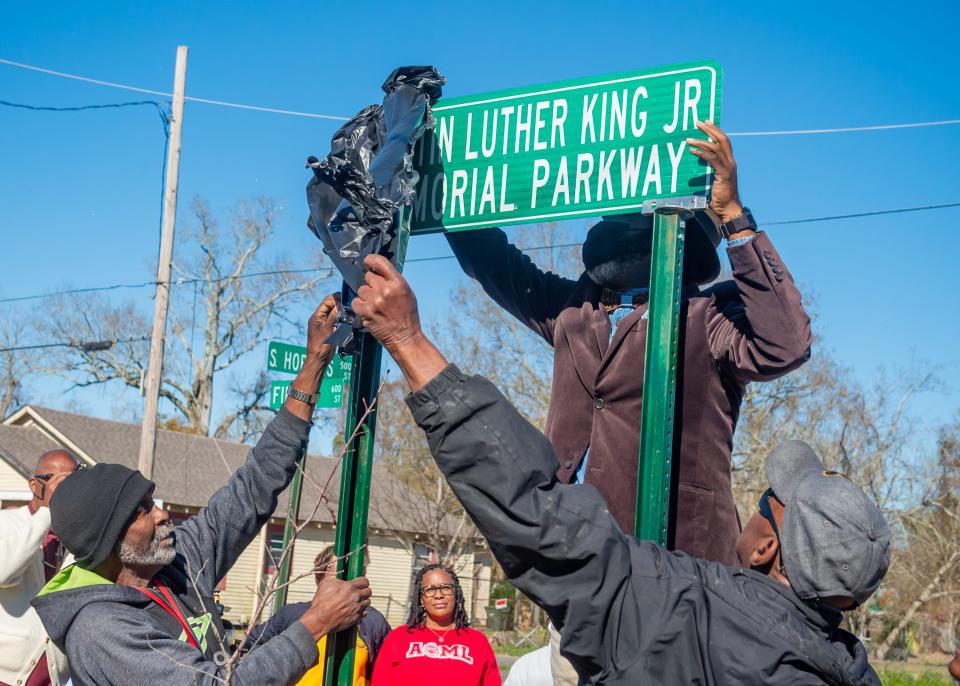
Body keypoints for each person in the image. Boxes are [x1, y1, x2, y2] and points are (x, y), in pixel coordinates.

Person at [350, 254, 892, 685]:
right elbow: (500, 267)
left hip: (632, 581)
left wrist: (408, 342)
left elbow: (531, 511)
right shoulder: (846, 667)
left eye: (765, 503)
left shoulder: (683, 611)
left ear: (764, 550)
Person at [445, 121, 812, 567]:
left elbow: (787, 345)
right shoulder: (573, 311)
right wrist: (447, 179)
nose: (631, 229)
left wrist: (733, 214)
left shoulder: (711, 317)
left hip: (678, 567)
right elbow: (493, 263)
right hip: (574, 555)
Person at [31, 295, 373, 686]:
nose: (162, 514)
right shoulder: (101, 628)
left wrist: (313, 364)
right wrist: (316, 622)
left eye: (152, 501)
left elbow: (253, 488)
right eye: (142, 510)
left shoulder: (178, 562)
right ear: (107, 538)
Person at [247, 545, 391, 685]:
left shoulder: (373, 621)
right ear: (322, 574)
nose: (347, 577)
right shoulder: (291, 614)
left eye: (357, 569)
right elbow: (251, 647)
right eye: (340, 568)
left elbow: (386, 670)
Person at [0, 450, 79, 686]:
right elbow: (3, 571)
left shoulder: (78, 537)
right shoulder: (6, 522)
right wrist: (47, 511)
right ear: (35, 485)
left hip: (53, 678)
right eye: (57, 481)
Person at [372, 563, 501, 685]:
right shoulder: (399, 638)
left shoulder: (478, 642)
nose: (438, 595)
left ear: (456, 594)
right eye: (430, 590)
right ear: (421, 598)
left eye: (445, 588)